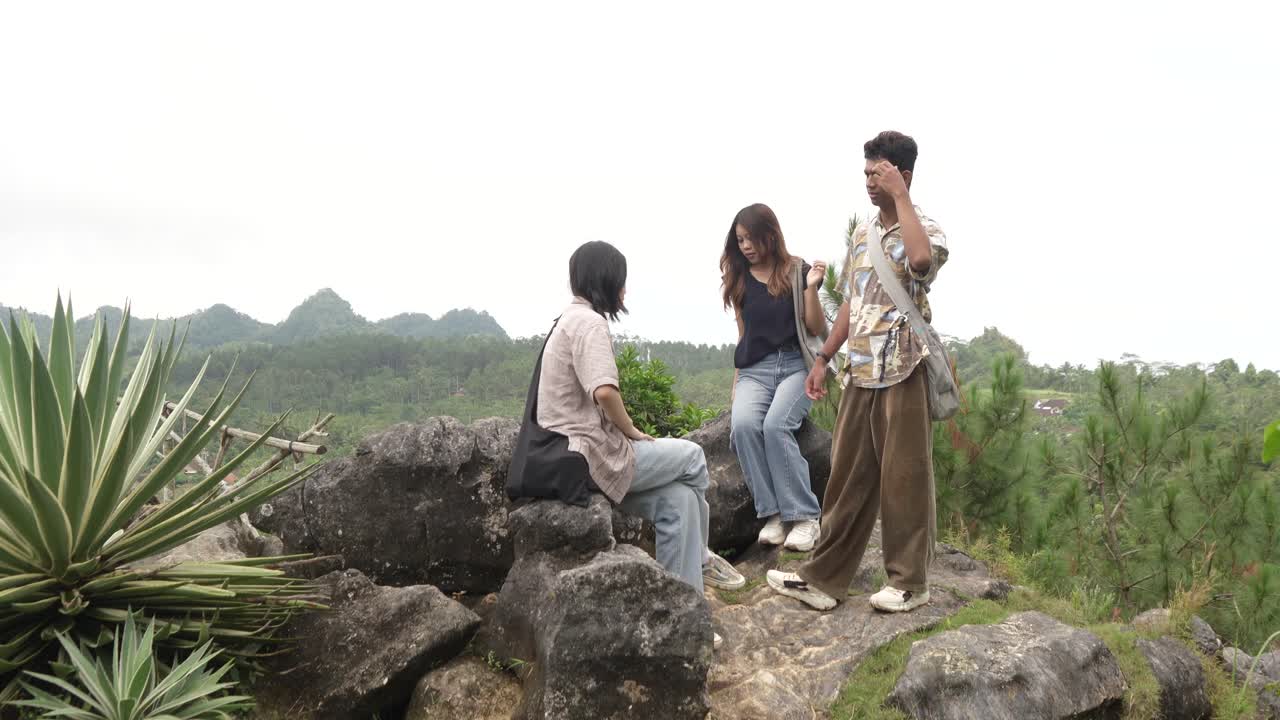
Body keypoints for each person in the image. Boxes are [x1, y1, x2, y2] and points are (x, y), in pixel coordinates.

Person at [767, 131, 949, 613]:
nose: (869, 181)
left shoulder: (926, 228)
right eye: (866, 172)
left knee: (903, 477)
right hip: (861, 369)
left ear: (902, 175)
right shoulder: (861, 234)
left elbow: (920, 262)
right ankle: (824, 579)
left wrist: (901, 198)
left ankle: (909, 582)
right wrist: (824, 357)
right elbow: (853, 299)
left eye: (879, 173)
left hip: (904, 367)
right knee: (847, 478)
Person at [536, 241, 746, 643]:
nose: (624, 291)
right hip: (591, 457)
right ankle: (703, 557)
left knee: (678, 503)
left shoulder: (568, 319)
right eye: (622, 282)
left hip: (575, 464)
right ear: (608, 280)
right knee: (692, 455)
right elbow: (604, 392)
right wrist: (631, 430)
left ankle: (684, 621)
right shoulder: (589, 323)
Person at [721, 204, 828, 551]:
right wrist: (737, 383)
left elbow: (816, 327)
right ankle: (775, 514)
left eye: (751, 238)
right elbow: (743, 336)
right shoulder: (738, 279)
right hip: (755, 369)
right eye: (740, 240)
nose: (746, 246)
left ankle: (806, 517)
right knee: (744, 425)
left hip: (795, 365)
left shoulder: (797, 270)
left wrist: (811, 287)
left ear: (770, 235)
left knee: (775, 425)